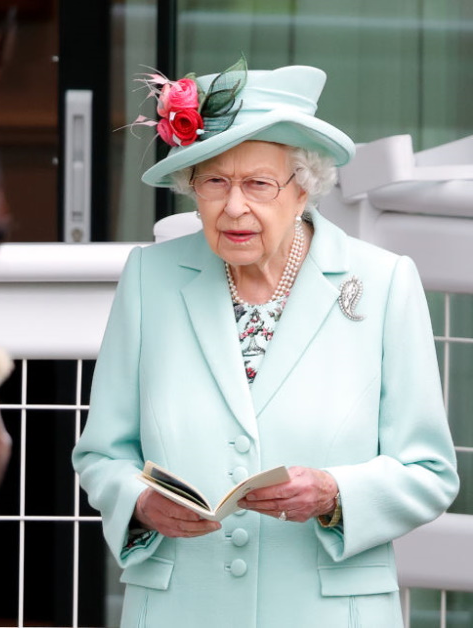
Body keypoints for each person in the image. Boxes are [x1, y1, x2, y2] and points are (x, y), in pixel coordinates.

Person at [72, 59, 459, 627]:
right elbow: (101, 454)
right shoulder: (149, 279)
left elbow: (429, 472)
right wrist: (137, 502)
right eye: (214, 182)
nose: (233, 207)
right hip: (180, 610)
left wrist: (333, 492)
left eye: (257, 183)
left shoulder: (382, 283)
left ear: (303, 188)